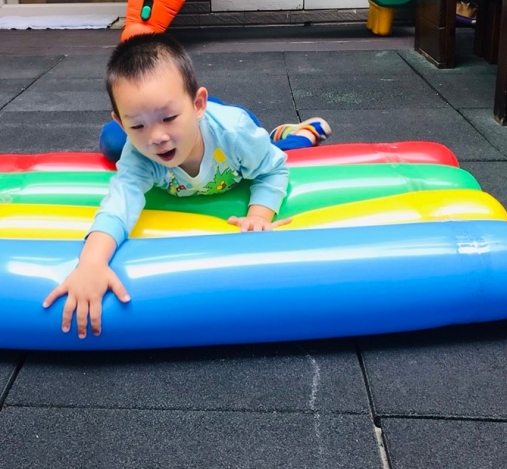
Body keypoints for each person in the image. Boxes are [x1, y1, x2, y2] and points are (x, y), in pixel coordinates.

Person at [42, 33, 331, 338]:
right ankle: (148, 120)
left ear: (197, 104)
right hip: (181, 116)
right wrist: (91, 262)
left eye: (168, 118)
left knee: (272, 148)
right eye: (137, 125)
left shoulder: (235, 134)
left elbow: (272, 171)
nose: (156, 137)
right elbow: (118, 205)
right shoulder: (139, 154)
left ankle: (296, 133)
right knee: (112, 143)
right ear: (123, 121)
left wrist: (259, 215)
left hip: (228, 123)